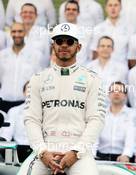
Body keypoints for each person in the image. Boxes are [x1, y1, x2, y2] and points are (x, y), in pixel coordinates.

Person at [24, 23, 106, 175]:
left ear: (79, 47)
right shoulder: (37, 79)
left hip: (79, 152)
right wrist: (42, 152)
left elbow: (96, 119)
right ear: (52, 45)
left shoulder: (93, 80)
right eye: (59, 41)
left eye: (69, 41)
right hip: (45, 150)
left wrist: (76, 152)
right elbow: (31, 120)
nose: (64, 45)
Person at [0, 22, 42, 113]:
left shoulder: (35, 55)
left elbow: (38, 79)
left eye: (20, 31)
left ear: (25, 33)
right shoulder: (2, 55)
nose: (17, 34)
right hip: (3, 102)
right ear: (10, 33)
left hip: (25, 103)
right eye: (14, 31)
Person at [96, 81, 136, 162]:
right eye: (113, 91)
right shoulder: (100, 113)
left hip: (122, 158)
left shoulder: (132, 114)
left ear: (125, 95)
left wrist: (126, 155)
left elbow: (131, 138)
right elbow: (94, 138)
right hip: (101, 157)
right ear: (108, 94)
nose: (116, 94)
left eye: (120, 91)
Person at [90, 0, 131, 66]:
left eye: (116, 5)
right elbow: (95, 53)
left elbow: (131, 55)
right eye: (110, 5)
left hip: (122, 70)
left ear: (121, 7)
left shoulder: (129, 29)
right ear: (106, 8)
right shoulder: (98, 29)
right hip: (102, 70)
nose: (113, 8)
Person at [0, 81, 32, 162]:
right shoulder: (14, 111)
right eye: (29, 90)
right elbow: (7, 132)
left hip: (40, 151)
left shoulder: (48, 112)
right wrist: (3, 139)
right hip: (18, 149)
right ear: (24, 93)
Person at [62, 0, 92, 65]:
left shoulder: (87, 33)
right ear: (64, 12)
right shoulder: (56, 31)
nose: (71, 11)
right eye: (68, 9)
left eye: (74, 9)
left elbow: (91, 56)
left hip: (81, 70)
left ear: (78, 13)